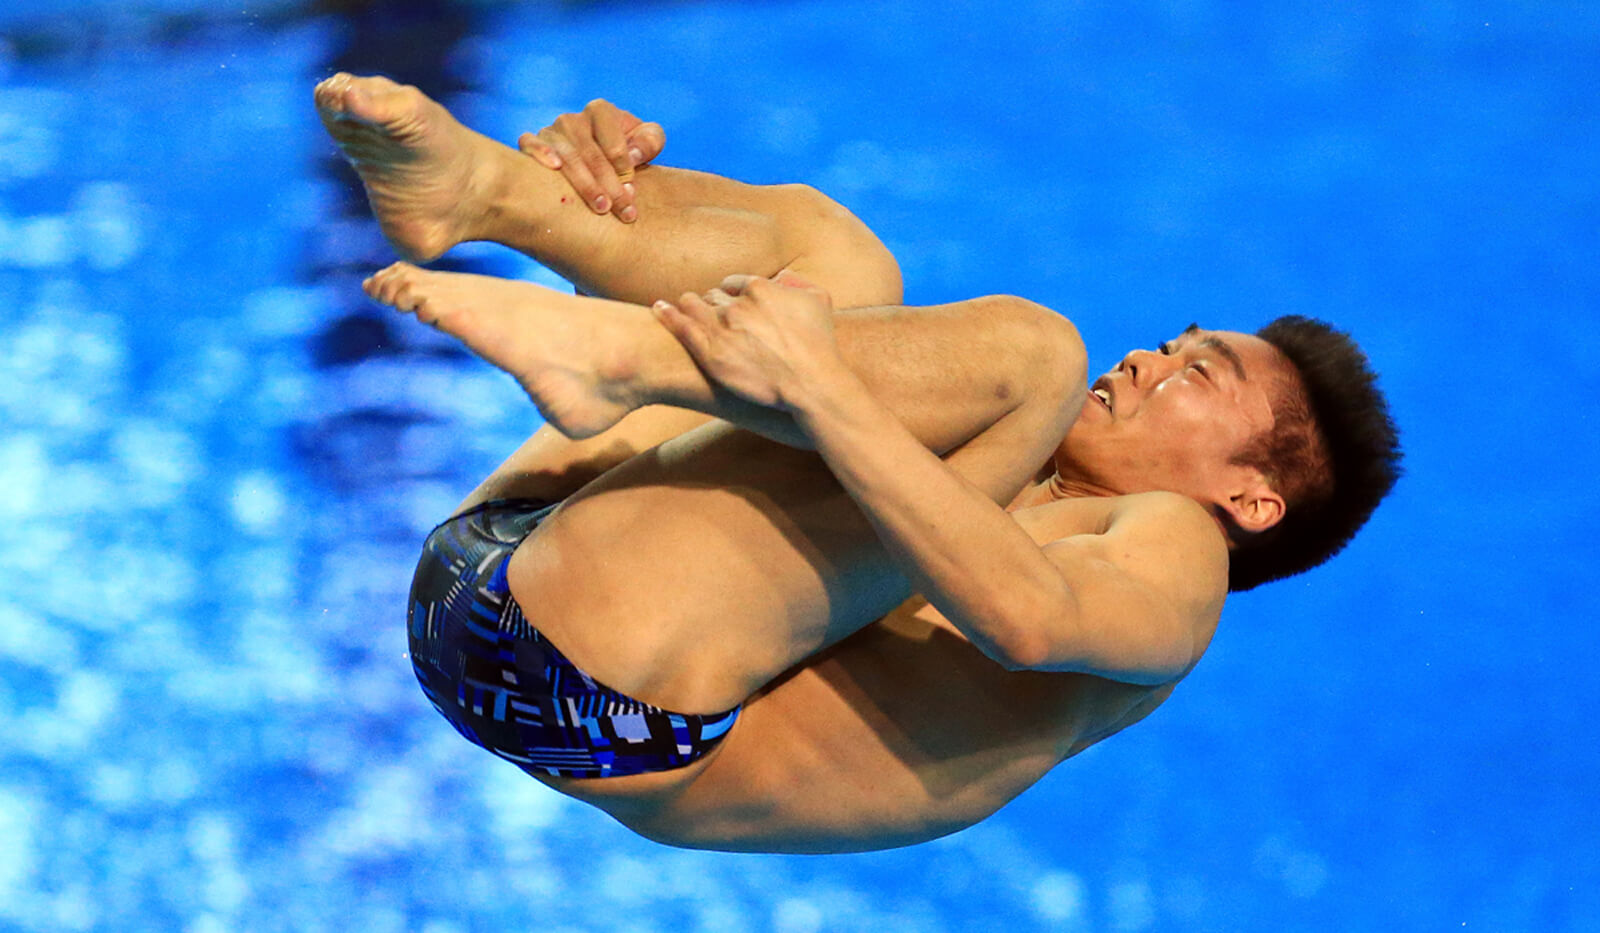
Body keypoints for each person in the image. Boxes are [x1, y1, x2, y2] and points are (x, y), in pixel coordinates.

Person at [315, 73, 1402, 854]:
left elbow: (1023, 619)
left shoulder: (1175, 558)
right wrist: (610, 195)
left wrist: (816, 386)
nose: (1150, 356)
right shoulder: (992, 465)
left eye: (1198, 373)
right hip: (511, 565)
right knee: (844, 260)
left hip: (588, 694)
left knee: (1033, 354)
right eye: (1175, 341)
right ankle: (499, 195)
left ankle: (615, 353)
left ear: (1249, 500)